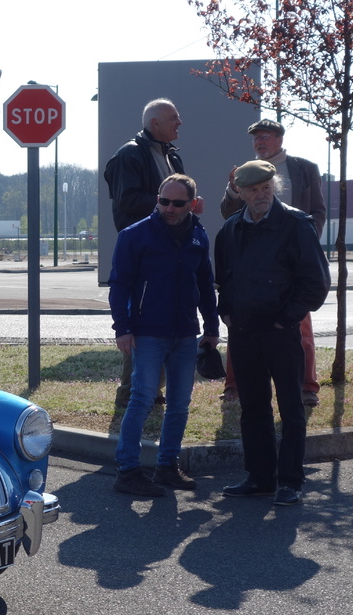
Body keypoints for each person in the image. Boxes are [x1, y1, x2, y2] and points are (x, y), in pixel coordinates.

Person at [215, 160, 331, 506]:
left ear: (274, 187)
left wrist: (285, 319)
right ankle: (260, 477)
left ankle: (291, 481)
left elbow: (316, 283)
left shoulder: (296, 224)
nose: (262, 195)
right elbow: (223, 279)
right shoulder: (231, 229)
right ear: (240, 192)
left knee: (291, 408)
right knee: (253, 408)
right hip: (243, 333)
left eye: (267, 188)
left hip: (281, 333)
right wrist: (226, 313)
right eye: (254, 190)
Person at [108, 174, 220, 496]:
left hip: (185, 332)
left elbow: (205, 283)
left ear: (192, 204)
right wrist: (123, 328)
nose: (169, 208)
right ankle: (127, 471)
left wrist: (212, 327)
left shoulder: (198, 234)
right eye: (164, 201)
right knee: (142, 399)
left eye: (178, 203)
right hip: (147, 332)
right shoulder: (135, 235)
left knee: (180, 403)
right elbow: (119, 285)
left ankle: (167, 466)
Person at [218, 118, 328, 406]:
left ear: (279, 139)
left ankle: (307, 386)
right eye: (256, 138)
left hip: (292, 264)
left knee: (300, 326)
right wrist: (233, 189)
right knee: (240, 328)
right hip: (253, 263)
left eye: (265, 137)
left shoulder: (304, 168)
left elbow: (317, 211)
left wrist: (304, 246)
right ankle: (235, 386)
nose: (259, 142)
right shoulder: (245, 172)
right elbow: (228, 214)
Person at [104, 99, 205, 409]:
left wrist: (186, 206)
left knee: (167, 322)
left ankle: (153, 390)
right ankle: (131, 394)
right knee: (141, 323)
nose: (180, 123)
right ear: (155, 123)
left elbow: (178, 194)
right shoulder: (130, 154)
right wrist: (173, 204)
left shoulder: (172, 155)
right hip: (145, 252)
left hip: (174, 248)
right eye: (174, 118)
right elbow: (126, 200)